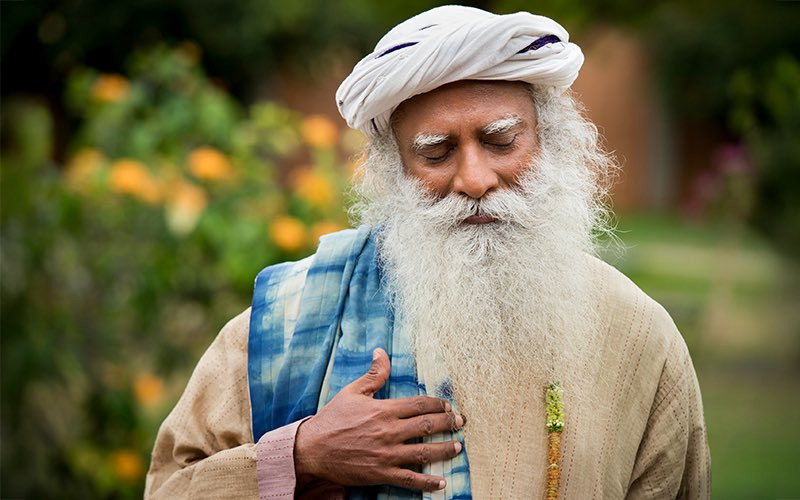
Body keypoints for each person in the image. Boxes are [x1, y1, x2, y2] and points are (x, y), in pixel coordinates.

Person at [146, 6, 710, 499]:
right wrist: (301, 456)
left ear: (550, 142)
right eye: (437, 153)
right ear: (395, 171)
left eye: (500, 141)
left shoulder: (638, 338)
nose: (475, 179)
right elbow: (170, 486)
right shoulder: (289, 320)